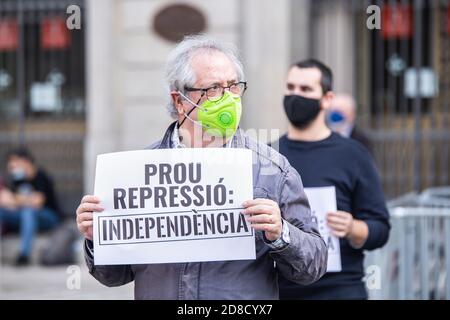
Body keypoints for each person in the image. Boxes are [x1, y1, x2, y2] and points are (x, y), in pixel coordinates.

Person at [76, 35, 328, 300]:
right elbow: (114, 276)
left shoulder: (272, 170)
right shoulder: (138, 173)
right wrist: (97, 239)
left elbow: (313, 266)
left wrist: (281, 234)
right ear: (180, 101)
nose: (228, 98)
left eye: (233, 86)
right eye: (213, 89)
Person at [276, 59, 390, 299]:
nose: (296, 95)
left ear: (327, 99)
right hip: (280, 289)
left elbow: (380, 229)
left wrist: (353, 228)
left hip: (339, 289)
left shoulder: (353, 154)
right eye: (291, 87)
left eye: (306, 90)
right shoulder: (267, 156)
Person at [0, 148, 61, 265]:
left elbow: (38, 202)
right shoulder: (16, 179)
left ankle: (24, 254)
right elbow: (3, 199)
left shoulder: (41, 175)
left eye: (15, 162)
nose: (12, 165)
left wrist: (16, 199)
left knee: (28, 211)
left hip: (48, 217)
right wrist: (25, 200)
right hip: (25, 216)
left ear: (26, 161)